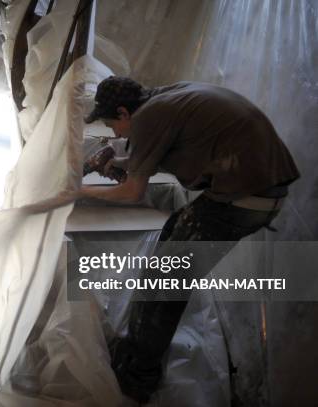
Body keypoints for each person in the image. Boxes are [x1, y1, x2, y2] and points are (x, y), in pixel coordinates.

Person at [79, 76, 300, 402]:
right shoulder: (165, 97)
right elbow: (151, 160)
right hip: (255, 189)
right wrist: (118, 163)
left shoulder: (150, 116)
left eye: (113, 125)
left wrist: (76, 191)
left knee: (165, 278)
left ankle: (138, 376)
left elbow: (133, 192)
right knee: (171, 236)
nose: (115, 134)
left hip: (246, 198)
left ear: (125, 112)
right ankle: (137, 349)